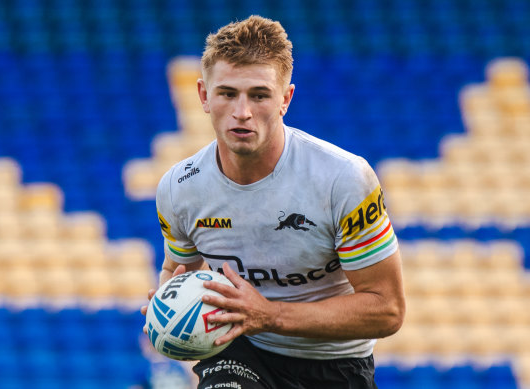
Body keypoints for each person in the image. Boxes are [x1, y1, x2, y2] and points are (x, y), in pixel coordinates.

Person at [142, 15, 405, 388]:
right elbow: (178, 269)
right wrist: (169, 309)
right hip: (240, 353)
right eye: (227, 93)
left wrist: (269, 314)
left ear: (285, 99)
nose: (242, 112)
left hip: (337, 364)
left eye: (259, 95)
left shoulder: (342, 178)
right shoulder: (179, 187)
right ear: (203, 95)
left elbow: (387, 309)